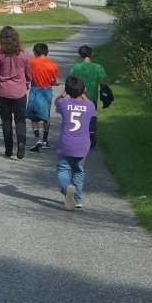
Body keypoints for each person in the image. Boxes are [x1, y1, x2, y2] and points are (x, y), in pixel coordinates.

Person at [0, 25, 32, 159]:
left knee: (6, 121)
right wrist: (27, 83)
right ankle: (21, 144)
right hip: (20, 91)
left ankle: (8, 148)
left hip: (3, 91)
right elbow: (28, 73)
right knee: (20, 120)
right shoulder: (24, 54)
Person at [55, 75, 98, 209]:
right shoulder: (89, 105)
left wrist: (64, 93)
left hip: (66, 144)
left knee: (63, 170)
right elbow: (93, 111)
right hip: (82, 146)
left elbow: (57, 101)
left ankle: (67, 188)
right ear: (83, 90)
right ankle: (78, 199)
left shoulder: (64, 104)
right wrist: (84, 95)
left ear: (67, 90)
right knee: (78, 172)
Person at [68, 45, 109, 147]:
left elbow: (71, 80)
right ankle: (91, 133)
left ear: (80, 55)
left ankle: (79, 137)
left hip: (78, 97)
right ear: (92, 54)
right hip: (92, 97)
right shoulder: (98, 67)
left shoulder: (76, 67)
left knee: (79, 116)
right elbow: (103, 82)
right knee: (92, 116)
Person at [27, 42, 61, 151]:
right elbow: (57, 82)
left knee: (34, 117)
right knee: (46, 116)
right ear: (47, 52)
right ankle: (45, 140)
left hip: (34, 90)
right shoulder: (53, 64)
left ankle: (37, 138)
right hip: (46, 91)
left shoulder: (31, 62)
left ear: (35, 52)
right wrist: (49, 80)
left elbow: (27, 75)